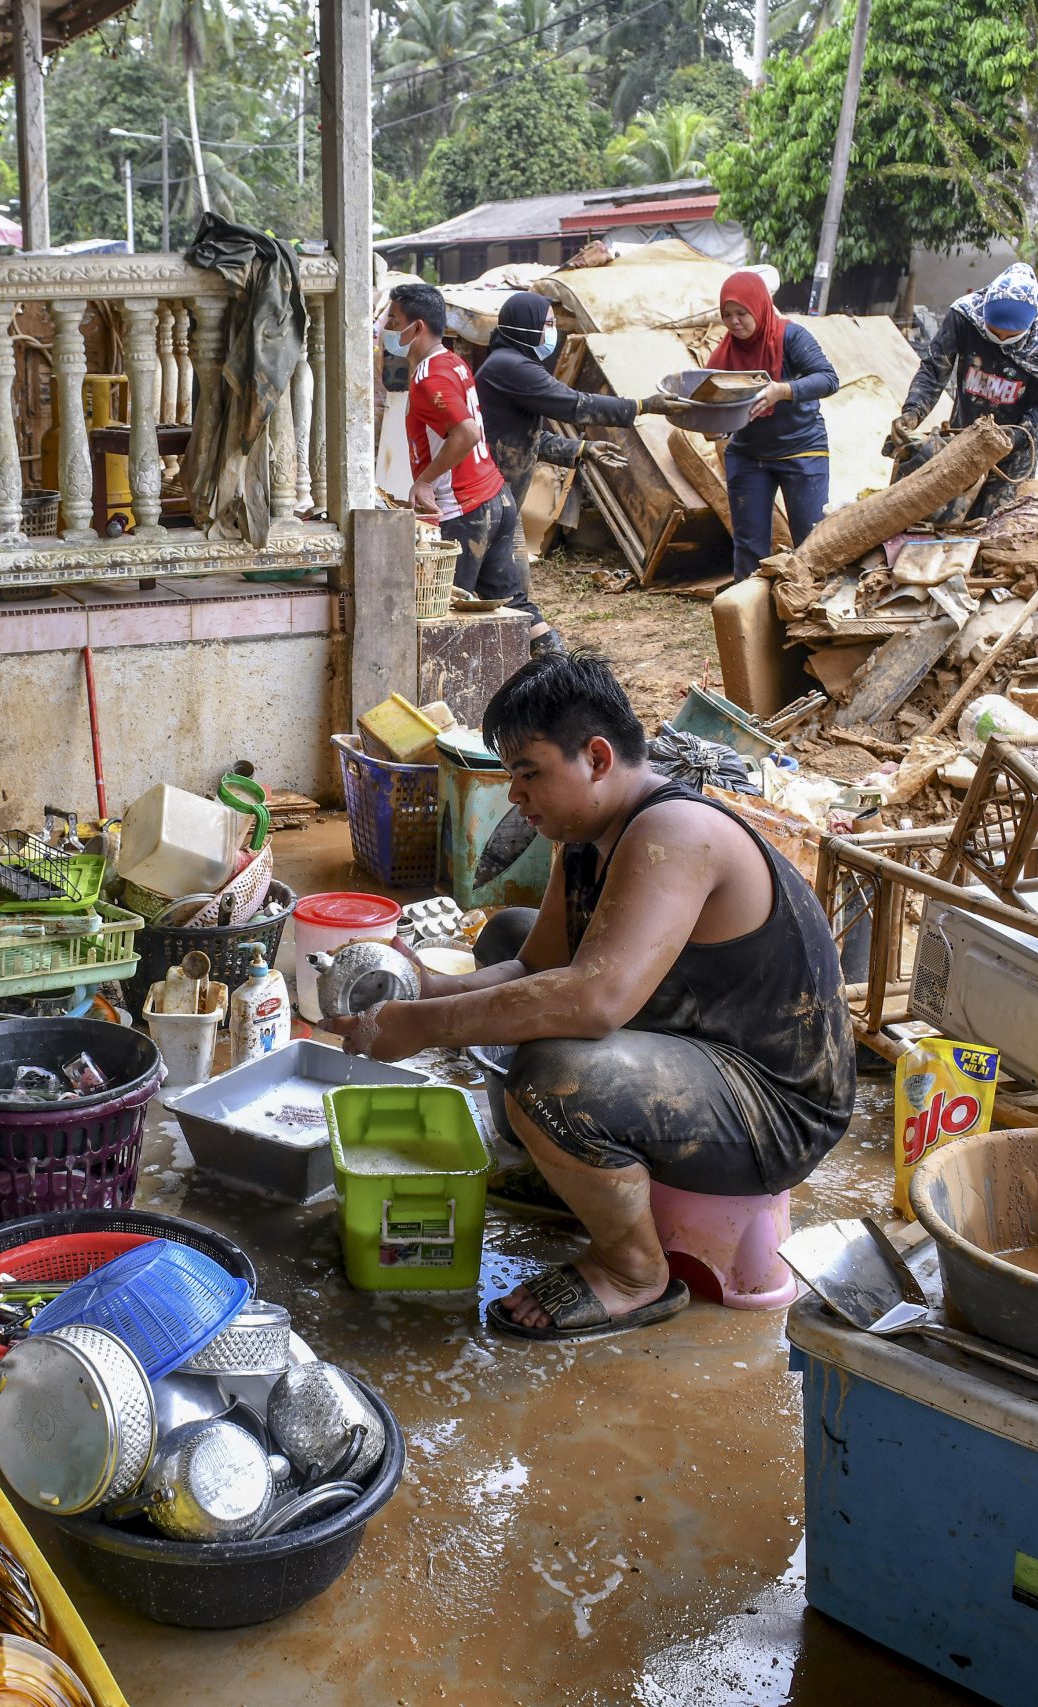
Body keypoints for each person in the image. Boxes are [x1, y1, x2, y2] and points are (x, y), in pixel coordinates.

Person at [331, 651, 856, 1341]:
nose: (516, 795)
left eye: (529, 773)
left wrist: (423, 1025)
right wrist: (429, 985)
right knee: (506, 936)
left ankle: (635, 1269)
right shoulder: (587, 838)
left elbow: (594, 1001)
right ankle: (574, 1172)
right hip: (694, 1052)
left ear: (598, 757)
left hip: (774, 1104)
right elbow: (532, 967)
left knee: (551, 1079)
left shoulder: (676, 830)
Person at [382, 282, 561, 658]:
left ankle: (456, 699)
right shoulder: (452, 361)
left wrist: (425, 481)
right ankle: (558, 669)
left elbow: (465, 432)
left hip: (464, 509)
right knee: (513, 602)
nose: (386, 326)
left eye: (392, 318)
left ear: (416, 327)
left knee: (442, 613)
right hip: (495, 497)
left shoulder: (429, 376)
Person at [891, 262, 1038, 520]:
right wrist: (913, 410)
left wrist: (1012, 436)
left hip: (1013, 450)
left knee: (995, 524)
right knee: (938, 519)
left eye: (1010, 337)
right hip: (962, 435)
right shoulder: (965, 315)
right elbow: (934, 369)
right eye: (994, 334)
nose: (1000, 341)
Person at [475, 291, 676, 514]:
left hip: (499, 500)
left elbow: (526, 440)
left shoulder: (509, 363)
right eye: (549, 324)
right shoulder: (511, 367)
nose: (554, 331)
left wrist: (584, 448)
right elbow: (576, 404)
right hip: (486, 500)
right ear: (527, 326)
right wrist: (642, 406)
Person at [706, 270, 840, 581]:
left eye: (742, 313)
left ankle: (811, 616)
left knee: (811, 543)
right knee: (749, 546)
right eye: (727, 315)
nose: (734, 322)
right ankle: (751, 619)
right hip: (749, 455)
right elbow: (713, 402)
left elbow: (828, 379)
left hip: (802, 449)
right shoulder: (724, 353)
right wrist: (714, 426)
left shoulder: (791, 336)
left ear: (760, 306)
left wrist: (783, 390)